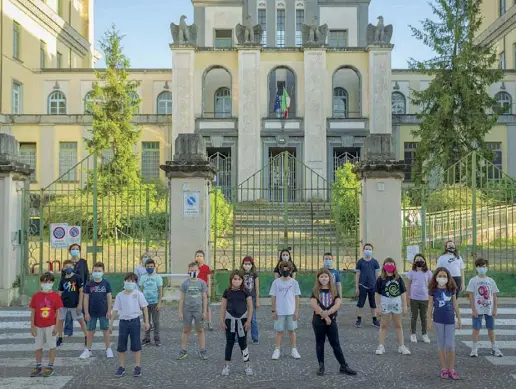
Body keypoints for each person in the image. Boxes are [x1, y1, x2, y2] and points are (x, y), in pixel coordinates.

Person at [310, 268, 356, 377]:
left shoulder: (334, 291)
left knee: (335, 344)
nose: (324, 278)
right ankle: (321, 366)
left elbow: (337, 304)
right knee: (320, 343)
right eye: (321, 276)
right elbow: (314, 305)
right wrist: (325, 317)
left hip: (332, 320)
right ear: (318, 278)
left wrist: (328, 314)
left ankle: (343, 366)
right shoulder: (315, 291)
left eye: (326, 276)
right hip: (318, 321)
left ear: (329, 278)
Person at [110, 272, 150, 378]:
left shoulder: (138, 294)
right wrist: (110, 324)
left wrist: (146, 322)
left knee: (136, 345)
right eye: (128, 281)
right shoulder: (120, 295)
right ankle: (121, 367)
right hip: (123, 322)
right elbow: (115, 310)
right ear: (124, 281)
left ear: (135, 283)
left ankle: (137, 366)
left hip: (135, 321)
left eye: (132, 281)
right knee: (121, 345)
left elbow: (145, 307)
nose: (130, 283)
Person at [427, 267, 462, 380]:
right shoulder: (433, 289)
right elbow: (430, 305)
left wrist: (459, 318)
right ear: (436, 277)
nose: (442, 278)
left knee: (450, 345)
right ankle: (444, 368)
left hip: (450, 320)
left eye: (444, 276)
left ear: (448, 278)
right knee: (441, 344)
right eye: (440, 276)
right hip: (438, 320)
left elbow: (455, 304)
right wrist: (429, 320)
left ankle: (451, 368)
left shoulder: (451, 289)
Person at [466, 258, 503, 358]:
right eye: (479, 266)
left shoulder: (490, 280)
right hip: (478, 309)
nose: (481, 268)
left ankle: (494, 348)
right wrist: (473, 310)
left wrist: (495, 308)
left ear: (487, 267)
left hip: (489, 309)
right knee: (476, 329)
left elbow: (494, 296)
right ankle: (474, 349)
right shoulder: (473, 280)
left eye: (483, 266)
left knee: (491, 328)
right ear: (476, 267)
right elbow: (471, 296)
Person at [220, 270, 254, 376]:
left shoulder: (245, 291)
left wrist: (248, 321)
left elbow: (250, 307)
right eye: (235, 279)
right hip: (230, 320)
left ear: (242, 281)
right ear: (231, 280)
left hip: (242, 320)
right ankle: (227, 366)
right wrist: (222, 320)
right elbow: (223, 307)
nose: (237, 281)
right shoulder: (227, 292)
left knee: (243, 343)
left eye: (239, 279)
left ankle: (247, 365)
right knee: (229, 343)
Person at [29, 272, 63, 377]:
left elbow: (58, 312)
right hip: (38, 325)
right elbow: (33, 311)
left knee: (52, 345)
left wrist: (57, 326)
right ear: (41, 282)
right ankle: (38, 365)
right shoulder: (36, 296)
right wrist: (32, 325)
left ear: (52, 282)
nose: (47, 284)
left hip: (50, 325)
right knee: (38, 346)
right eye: (44, 282)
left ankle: (50, 366)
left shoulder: (55, 296)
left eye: (49, 282)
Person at [375, 257, 411, 356]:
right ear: (384, 266)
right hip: (385, 305)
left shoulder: (398, 278)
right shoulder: (380, 279)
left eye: (391, 263)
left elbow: (403, 292)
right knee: (383, 325)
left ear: (394, 266)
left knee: (398, 325)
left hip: (396, 305)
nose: (389, 265)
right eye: (387, 263)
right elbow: (377, 294)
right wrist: (377, 307)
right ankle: (381, 346)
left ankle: (401, 346)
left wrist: (405, 305)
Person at [80, 262, 114, 359]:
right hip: (91, 312)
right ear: (92, 271)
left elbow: (109, 297)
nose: (97, 272)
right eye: (95, 271)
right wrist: (86, 312)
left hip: (103, 312)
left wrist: (109, 310)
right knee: (90, 331)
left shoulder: (106, 283)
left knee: (105, 330)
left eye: (99, 271)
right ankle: (88, 350)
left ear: (103, 272)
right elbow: (85, 299)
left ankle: (108, 349)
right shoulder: (89, 284)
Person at [270, 260, 301, 360]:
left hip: (291, 312)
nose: (285, 271)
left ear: (291, 270)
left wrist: (296, 311)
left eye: (287, 269)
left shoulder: (294, 282)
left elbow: (297, 297)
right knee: (279, 331)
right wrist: (274, 310)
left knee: (292, 331)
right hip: (280, 311)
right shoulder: (276, 282)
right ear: (280, 270)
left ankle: (294, 349)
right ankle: (277, 350)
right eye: (283, 269)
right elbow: (273, 297)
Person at [177, 262, 208, 360]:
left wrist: (204, 311)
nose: (193, 272)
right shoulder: (185, 283)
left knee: (200, 330)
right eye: (191, 271)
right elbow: (181, 299)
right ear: (188, 271)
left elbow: (204, 298)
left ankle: (202, 351)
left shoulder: (202, 283)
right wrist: (180, 312)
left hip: (198, 310)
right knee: (186, 330)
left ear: (198, 271)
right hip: (187, 310)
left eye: (195, 270)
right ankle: (183, 351)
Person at [57, 260, 87, 347]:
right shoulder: (63, 279)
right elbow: (60, 292)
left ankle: (86, 336)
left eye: (70, 266)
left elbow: (81, 291)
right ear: (63, 268)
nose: (68, 268)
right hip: (63, 304)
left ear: (73, 267)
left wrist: (80, 304)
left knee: (81, 320)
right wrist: (57, 304)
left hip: (75, 304)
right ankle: (60, 337)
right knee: (60, 321)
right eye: (66, 267)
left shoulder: (77, 278)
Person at [64, 244, 89, 337]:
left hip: (82, 290)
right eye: (73, 249)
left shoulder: (83, 262)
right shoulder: (67, 263)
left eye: (77, 249)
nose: (75, 250)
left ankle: (88, 330)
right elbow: (64, 277)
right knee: (68, 311)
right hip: (70, 290)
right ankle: (68, 331)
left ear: (79, 251)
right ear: (70, 251)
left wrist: (87, 288)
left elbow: (86, 275)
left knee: (83, 309)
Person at [406, 253, 432, 343]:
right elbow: (408, 286)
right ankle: (413, 334)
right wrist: (407, 298)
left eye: (421, 259)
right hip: (414, 298)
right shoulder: (411, 273)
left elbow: (431, 286)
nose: (419, 261)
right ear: (414, 262)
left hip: (425, 298)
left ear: (424, 261)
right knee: (414, 317)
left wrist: (430, 298)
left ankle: (424, 334)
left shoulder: (428, 272)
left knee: (423, 317)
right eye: (417, 260)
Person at [355, 243, 381, 328]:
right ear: (363, 250)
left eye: (369, 249)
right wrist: (357, 287)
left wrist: (378, 287)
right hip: (362, 286)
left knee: (373, 304)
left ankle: (374, 320)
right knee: (360, 304)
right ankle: (358, 319)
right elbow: (357, 274)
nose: (368, 251)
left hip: (373, 287)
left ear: (372, 251)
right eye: (366, 249)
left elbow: (377, 275)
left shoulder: (375, 262)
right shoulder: (360, 262)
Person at [139, 258, 163, 346]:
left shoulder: (157, 277)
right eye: (148, 266)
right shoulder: (143, 277)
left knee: (156, 321)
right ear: (145, 267)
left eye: (151, 266)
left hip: (155, 303)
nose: (150, 268)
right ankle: (147, 338)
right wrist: (141, 303)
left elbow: (160, 290)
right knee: (146, 321)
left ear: (154, 267)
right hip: (145, 304)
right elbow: (141, 290)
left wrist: (159, 302)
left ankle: (157, 338)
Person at [241, 256, 260, 344]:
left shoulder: (254, 275)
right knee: (241, 318)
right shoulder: (240, 274)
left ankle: (255, 338)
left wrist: (257, 300)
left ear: (252, 265)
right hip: (242, 298)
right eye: (245, 264)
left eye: (249, 264)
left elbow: (257, 288)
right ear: (243, 264)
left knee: (253, 318)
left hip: (252, 298)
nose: (247, 266)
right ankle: (240, 338)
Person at [195, 250, 214, 331]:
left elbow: (209, 279)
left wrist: (209, 290)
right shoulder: (194, 268)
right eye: (197, 256)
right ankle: (199, 323)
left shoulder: (206, 267)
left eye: (201, 256)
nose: (199, 257)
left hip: (204, 288)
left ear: (203, 258)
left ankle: (209, 323)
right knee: (199, 306)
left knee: (208, 306)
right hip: (196, 289)